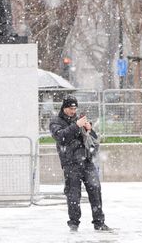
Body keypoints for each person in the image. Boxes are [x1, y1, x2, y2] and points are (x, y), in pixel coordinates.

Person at [49, 96, 111, 232]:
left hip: (87, 161)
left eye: (75, 108)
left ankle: (99, 222)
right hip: (71, 163)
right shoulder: (56, 122)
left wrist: (89, 129)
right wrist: (76, 126)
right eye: (70, 108)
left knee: (95, 189)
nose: (73, 111)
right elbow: (62, 137)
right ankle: (74, 223)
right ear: (64, 108)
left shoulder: (79, 120)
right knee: (73, 195)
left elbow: (94, 140)